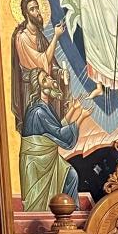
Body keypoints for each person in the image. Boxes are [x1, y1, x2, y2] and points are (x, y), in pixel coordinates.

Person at [19, 71, 91, 211]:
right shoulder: (38, 112)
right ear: (40, 87)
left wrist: (73, 109)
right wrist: (81, 117)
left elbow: (56, 128)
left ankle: (71, 212)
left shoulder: (45, 106)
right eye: (45, 79)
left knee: (71, 175)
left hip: (48, 158)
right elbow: (60, 135)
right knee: (69, 177)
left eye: (48, 76)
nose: (50, 79)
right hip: (38, 163)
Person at [11, 0, 68, 131]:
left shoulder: (39, 35)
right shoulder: (22, 37)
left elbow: (51, 64)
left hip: (44, 88)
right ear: (26, 13)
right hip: (31, 91)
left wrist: (60, 72)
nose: (37, 12)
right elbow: (42, 62)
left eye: (37, 8)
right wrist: (56, 36)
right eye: (32, 9)